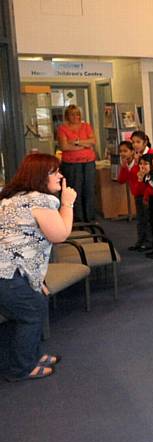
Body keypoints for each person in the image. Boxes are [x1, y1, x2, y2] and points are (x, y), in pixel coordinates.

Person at [0, 154, 76, 381]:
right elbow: (60, 234)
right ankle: (21, 368)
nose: (60, 176)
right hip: (7, 274)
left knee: (35, 306)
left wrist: (36, 280)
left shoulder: (9, 197)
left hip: (11, 271)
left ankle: (32, 355)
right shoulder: (42, 200)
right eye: (55, 172)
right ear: (41, 176)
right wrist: (67, 203)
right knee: (31, 315)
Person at [56, 104, 97, 222]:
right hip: (71, 164)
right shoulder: (62, 128)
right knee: (75, 190)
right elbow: (64, 146)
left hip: (88, 162)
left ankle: (90, 218)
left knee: (89, 189)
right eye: (72, 114)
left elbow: (93, 141)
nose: (76, 116)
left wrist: (76, 142)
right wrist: (85, 145)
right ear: (67, 116)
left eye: (77, 114)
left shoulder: (86, 126)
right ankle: (77, 218)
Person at [117, 141, 152, 252]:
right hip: (137, 195)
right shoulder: (127, 165)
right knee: (140, 219)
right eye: (121, 151)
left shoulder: (138, 164)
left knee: (147, 219)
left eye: (125, 151)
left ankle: (148, 242)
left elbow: (142, 182)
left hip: (144, 195)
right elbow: (121, 180)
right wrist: (123, 167)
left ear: (132, 152)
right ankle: (140, 240)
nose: (123, 154)